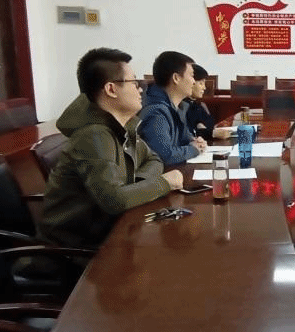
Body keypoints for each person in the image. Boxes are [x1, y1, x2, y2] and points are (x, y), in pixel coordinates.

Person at [39, 47, 182, 249]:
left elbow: (154, 159)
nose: (141, 90)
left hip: (110, 232)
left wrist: (136, 185)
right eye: (134, 83)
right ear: (111, 89)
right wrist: (164, 183)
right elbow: (114, 200)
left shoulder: (124, 126)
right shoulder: (93, 136)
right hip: (76, 251)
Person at [139, 50, 208, 166]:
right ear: (176, 78)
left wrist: (195, 141)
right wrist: (194, 149)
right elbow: (165, 156)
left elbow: (184, 138)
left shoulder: (178, 107)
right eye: (192, 76)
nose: (193, 82)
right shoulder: (156, 112)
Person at [181, 62, 217, 143]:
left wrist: (199, 124)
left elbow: (210, 123)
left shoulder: (197, 104)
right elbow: (190, 133)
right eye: (201, 83)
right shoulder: (181, 105)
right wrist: (209, 132)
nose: (204, 88)